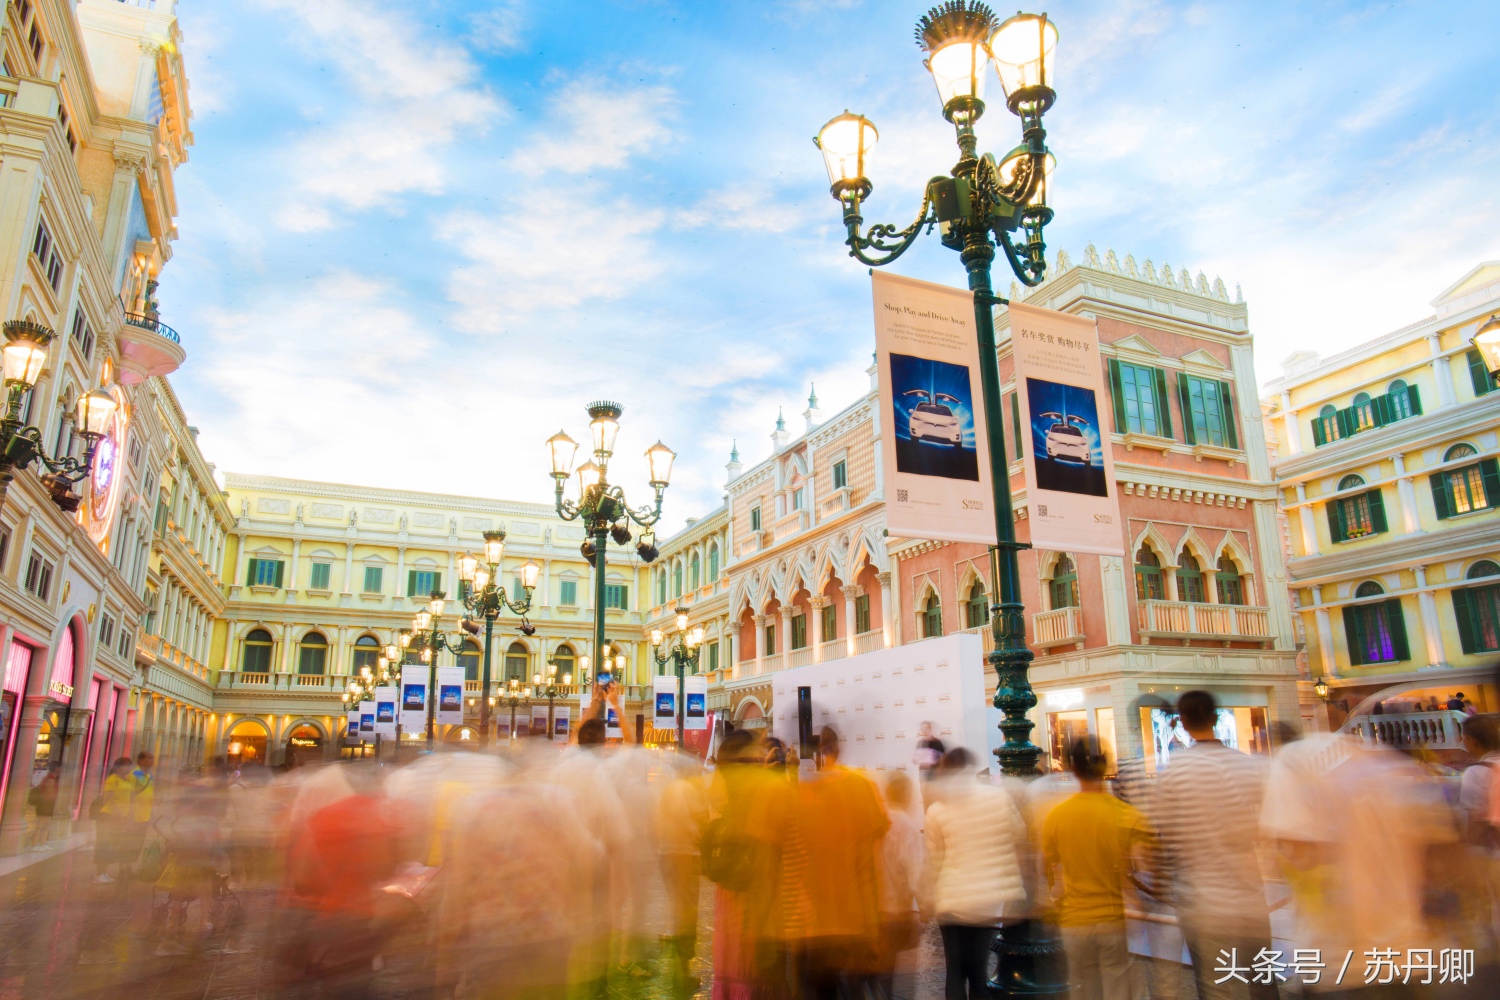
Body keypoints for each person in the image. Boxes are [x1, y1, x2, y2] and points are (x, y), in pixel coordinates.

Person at [1151, 691, 1273, 1000]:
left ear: (1183, 722)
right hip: (1249, 894)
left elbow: (1166, 838)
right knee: (1262, 981)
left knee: (1215, 987)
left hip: (1202, 900)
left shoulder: (1174, 772)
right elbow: (1265, 828)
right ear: (1215, 718)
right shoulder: (1247, 765)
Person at [1041, 737, 1152, 1000]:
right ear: (1106, 766)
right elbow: (1144, 865)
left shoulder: (1057, 815)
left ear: (1073, 768)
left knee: (1084, 989)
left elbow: (1048, 868)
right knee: (1117, 987)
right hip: (1112, 919)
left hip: (1075, 920)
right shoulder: (1126, 815)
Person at [919, 748, 1027, 1000]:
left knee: (955, 971)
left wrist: (926, 898)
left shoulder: (937, 809)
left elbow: (935, 860)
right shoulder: (998, 797)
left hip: (951, 900)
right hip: (987, 900)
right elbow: (1019, 834)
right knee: (979, 972)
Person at [796, 727, 890, 1000]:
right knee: (856, 984)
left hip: (819, 914)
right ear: (838, 749)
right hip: (855, 910)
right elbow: (873, 848)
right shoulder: (861, 786)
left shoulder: (808, 792)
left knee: (823, 986)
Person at [877, 772, 923, 1000]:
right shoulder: (907, 826)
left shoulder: (877, 819)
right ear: (906, 795)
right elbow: (916, 872)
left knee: (880, 972)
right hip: (899, 910)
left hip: (875, 909)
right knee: (901, 977)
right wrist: (925, 907)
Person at [94, 757, 136, 883]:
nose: (127, 768)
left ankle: (104, 872)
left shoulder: (126, 780)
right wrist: (118, 813)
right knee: (104, 845)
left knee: (112, 845)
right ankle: (99, 873)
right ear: (117, 767)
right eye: (125, 765)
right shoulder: (112, 780)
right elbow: (108, 799)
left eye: (129, 766)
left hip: (120, 818)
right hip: (108, 816)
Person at [25, 763, 60, 851]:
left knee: (47, 824)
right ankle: (34, 845)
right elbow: (49, 793)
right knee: (40, 825)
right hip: (45, 805)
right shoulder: (50, 779)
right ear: (57, 768)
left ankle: (42, 843)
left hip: (47, 804)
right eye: (60, 768)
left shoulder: (50, 778)